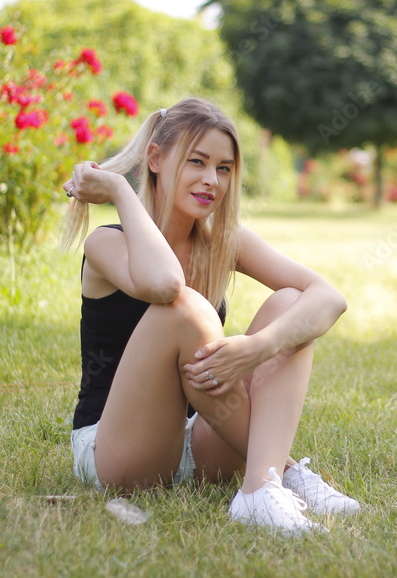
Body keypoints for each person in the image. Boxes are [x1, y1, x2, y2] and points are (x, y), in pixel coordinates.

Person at [61, 97, 359, 535]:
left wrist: (258, 347)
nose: (211, 180)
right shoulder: (106, 244)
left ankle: (262, 487)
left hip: (199, 445)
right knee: (186, 309)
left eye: (223, 168)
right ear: (155, 160)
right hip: (115, 450)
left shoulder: (223, 242)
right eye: (197, 162)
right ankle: (285, 474)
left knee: (289, 305)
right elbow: (166, 285)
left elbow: (328, 298)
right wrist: (121, 191)